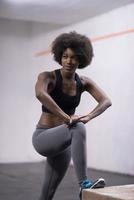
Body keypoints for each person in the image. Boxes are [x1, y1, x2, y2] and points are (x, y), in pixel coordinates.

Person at [32, 31, 112, 200]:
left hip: (63, 144)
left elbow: (106, 101)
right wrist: (66, 118)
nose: (69, 61)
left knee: (47, 194)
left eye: (74, 57)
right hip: (43, 137)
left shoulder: (83, 82)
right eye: (65, 56)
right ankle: (84, 185)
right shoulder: (48, 77)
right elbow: (40, 94)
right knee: (77, 127)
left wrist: (89, 116)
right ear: (59, 57)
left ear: (81, 59)